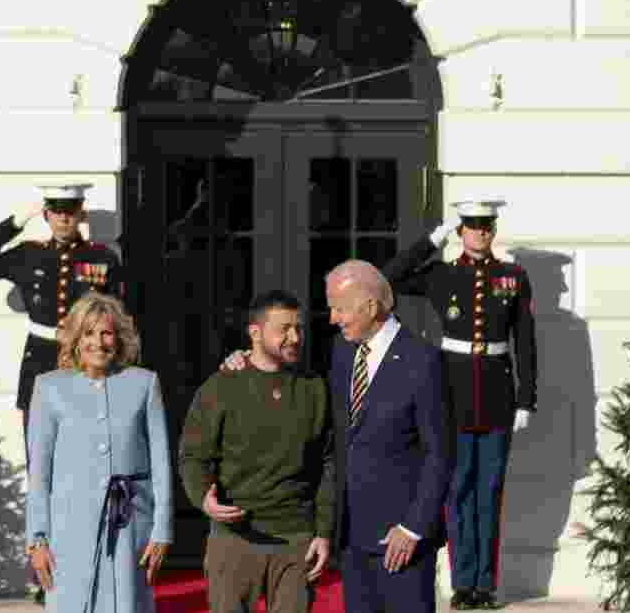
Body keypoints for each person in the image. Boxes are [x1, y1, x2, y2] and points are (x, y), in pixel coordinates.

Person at [382, 200, 536, 610]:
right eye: (471, 227)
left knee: (489, 492)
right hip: (452, 396)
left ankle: (485, 585)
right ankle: (462, 582)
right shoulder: (442, 275)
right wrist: (433, 237)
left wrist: (526, 399)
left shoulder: (513, 277)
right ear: (461, 232)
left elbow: (525, 341)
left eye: (486, 226)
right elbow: (388, 279)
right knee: (457, 491)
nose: (480, 233)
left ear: (493, 230)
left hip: (498, 398)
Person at [179, 290, 334, 613]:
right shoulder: (221, 386)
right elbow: (194, 455)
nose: (295, 337)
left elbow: (327, 463)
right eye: (284, 329)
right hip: (235, 539)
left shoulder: (314, 388)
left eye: (299, 328)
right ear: (255, 333)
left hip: (295, 540)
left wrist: (323, 532)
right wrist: (203, 498)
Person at [0, 183, 123, 465]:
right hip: (39, 361)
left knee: (85, 457)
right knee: (40, 457)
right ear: (46, 216)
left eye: (70, 212)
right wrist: (16, 222)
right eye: (56, 212)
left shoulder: (101, 257)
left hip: (86, 361)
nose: (63, 219)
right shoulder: (28, 254)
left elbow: (119, 318)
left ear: (79, 214)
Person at [26, 291, 172, 613]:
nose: (98, 342)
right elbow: (39, 471)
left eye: (106, 332)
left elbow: (161, 463)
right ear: (76, 339)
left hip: (131, 527)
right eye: (89, 333)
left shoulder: (144, 384)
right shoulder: (49, 387)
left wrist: (162, 530)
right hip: (68, 531)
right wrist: (36, 538)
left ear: (119, 339)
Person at [325, 260, 452, 613]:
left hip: (401, 542)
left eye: (339, 308)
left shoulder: (423, 361)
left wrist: (414, 527)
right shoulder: (342, 351)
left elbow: (439, 453)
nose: (333, 318)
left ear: (370, 306)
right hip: (352, 537)